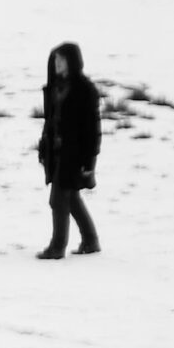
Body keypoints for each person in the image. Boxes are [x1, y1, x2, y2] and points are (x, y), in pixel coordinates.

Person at [35, 41, 103, 258]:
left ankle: (57, 247)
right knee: (70, 197)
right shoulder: (55, 87)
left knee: (58, 199)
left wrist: (89, 162)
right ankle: (91, 241)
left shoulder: (84, 90)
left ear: (72, 62)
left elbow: (92, 129)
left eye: (61, 60)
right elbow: (50, 121)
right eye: (55, 60)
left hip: (73, 154)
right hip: (56, 152)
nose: (57, 64)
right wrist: (44, 146)